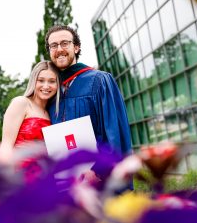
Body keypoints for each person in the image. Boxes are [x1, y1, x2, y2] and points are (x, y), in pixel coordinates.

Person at [45, 25, 132, 186]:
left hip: (98, 179)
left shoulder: (100, 81)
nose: (59, 49)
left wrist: (99, 170)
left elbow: (114, 132)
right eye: (54, 45)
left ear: (76, 47)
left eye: (65, 43)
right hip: (65, 184)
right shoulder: (50, 89)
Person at [0, 61, 60, 178]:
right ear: (33, 81)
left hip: (44, 180)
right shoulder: (21, 103)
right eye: (41, 80)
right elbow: (6, 147)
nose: (46, 86)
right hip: (20, 178)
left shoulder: (52, 113)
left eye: (52, 81)